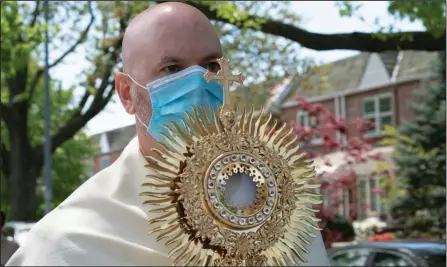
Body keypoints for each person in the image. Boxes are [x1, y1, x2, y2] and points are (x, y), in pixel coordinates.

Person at [7, 2, 330, 266]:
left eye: (211, 66)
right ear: (127, 93)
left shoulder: (281, 205)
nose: (200, 82)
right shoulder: (68, 243)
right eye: (172, 69)